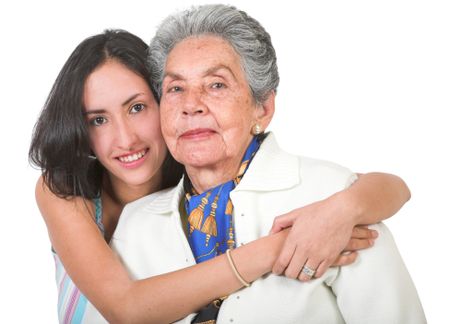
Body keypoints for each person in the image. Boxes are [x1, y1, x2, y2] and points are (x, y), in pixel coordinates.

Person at [29, 31, 409, 324]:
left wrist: (343, 209)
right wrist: (285, 245)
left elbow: (373, 186)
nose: (125, 138)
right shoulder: (65, 188)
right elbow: (127, 308)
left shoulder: (196, 165)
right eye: (97, 119)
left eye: (138, 107)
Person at [111, 4, 426, 323]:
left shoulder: (333, 197)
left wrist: (349, 206)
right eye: (176, 88)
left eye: (216, 84)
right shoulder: (135, 226)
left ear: (262, 108)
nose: (191, 105)